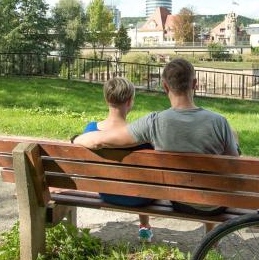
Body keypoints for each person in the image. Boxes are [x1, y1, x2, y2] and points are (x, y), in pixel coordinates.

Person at [73, 58, 240, 218]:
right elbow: (234, 164)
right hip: (216, 205)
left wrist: (76, 139)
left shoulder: (153, 122)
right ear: (194, 84)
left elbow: (99, 140)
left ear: (165, 87)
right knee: (233, 135)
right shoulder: (219, 122)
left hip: (180, 202)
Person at [82, 77, 154, 241]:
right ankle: (144, 226)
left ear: (106, 99)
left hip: (108, 193)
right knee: (142, 181)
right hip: (139, 198)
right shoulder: (140, 136)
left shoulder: (90, 130)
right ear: (130, 102)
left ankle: (144, 226)